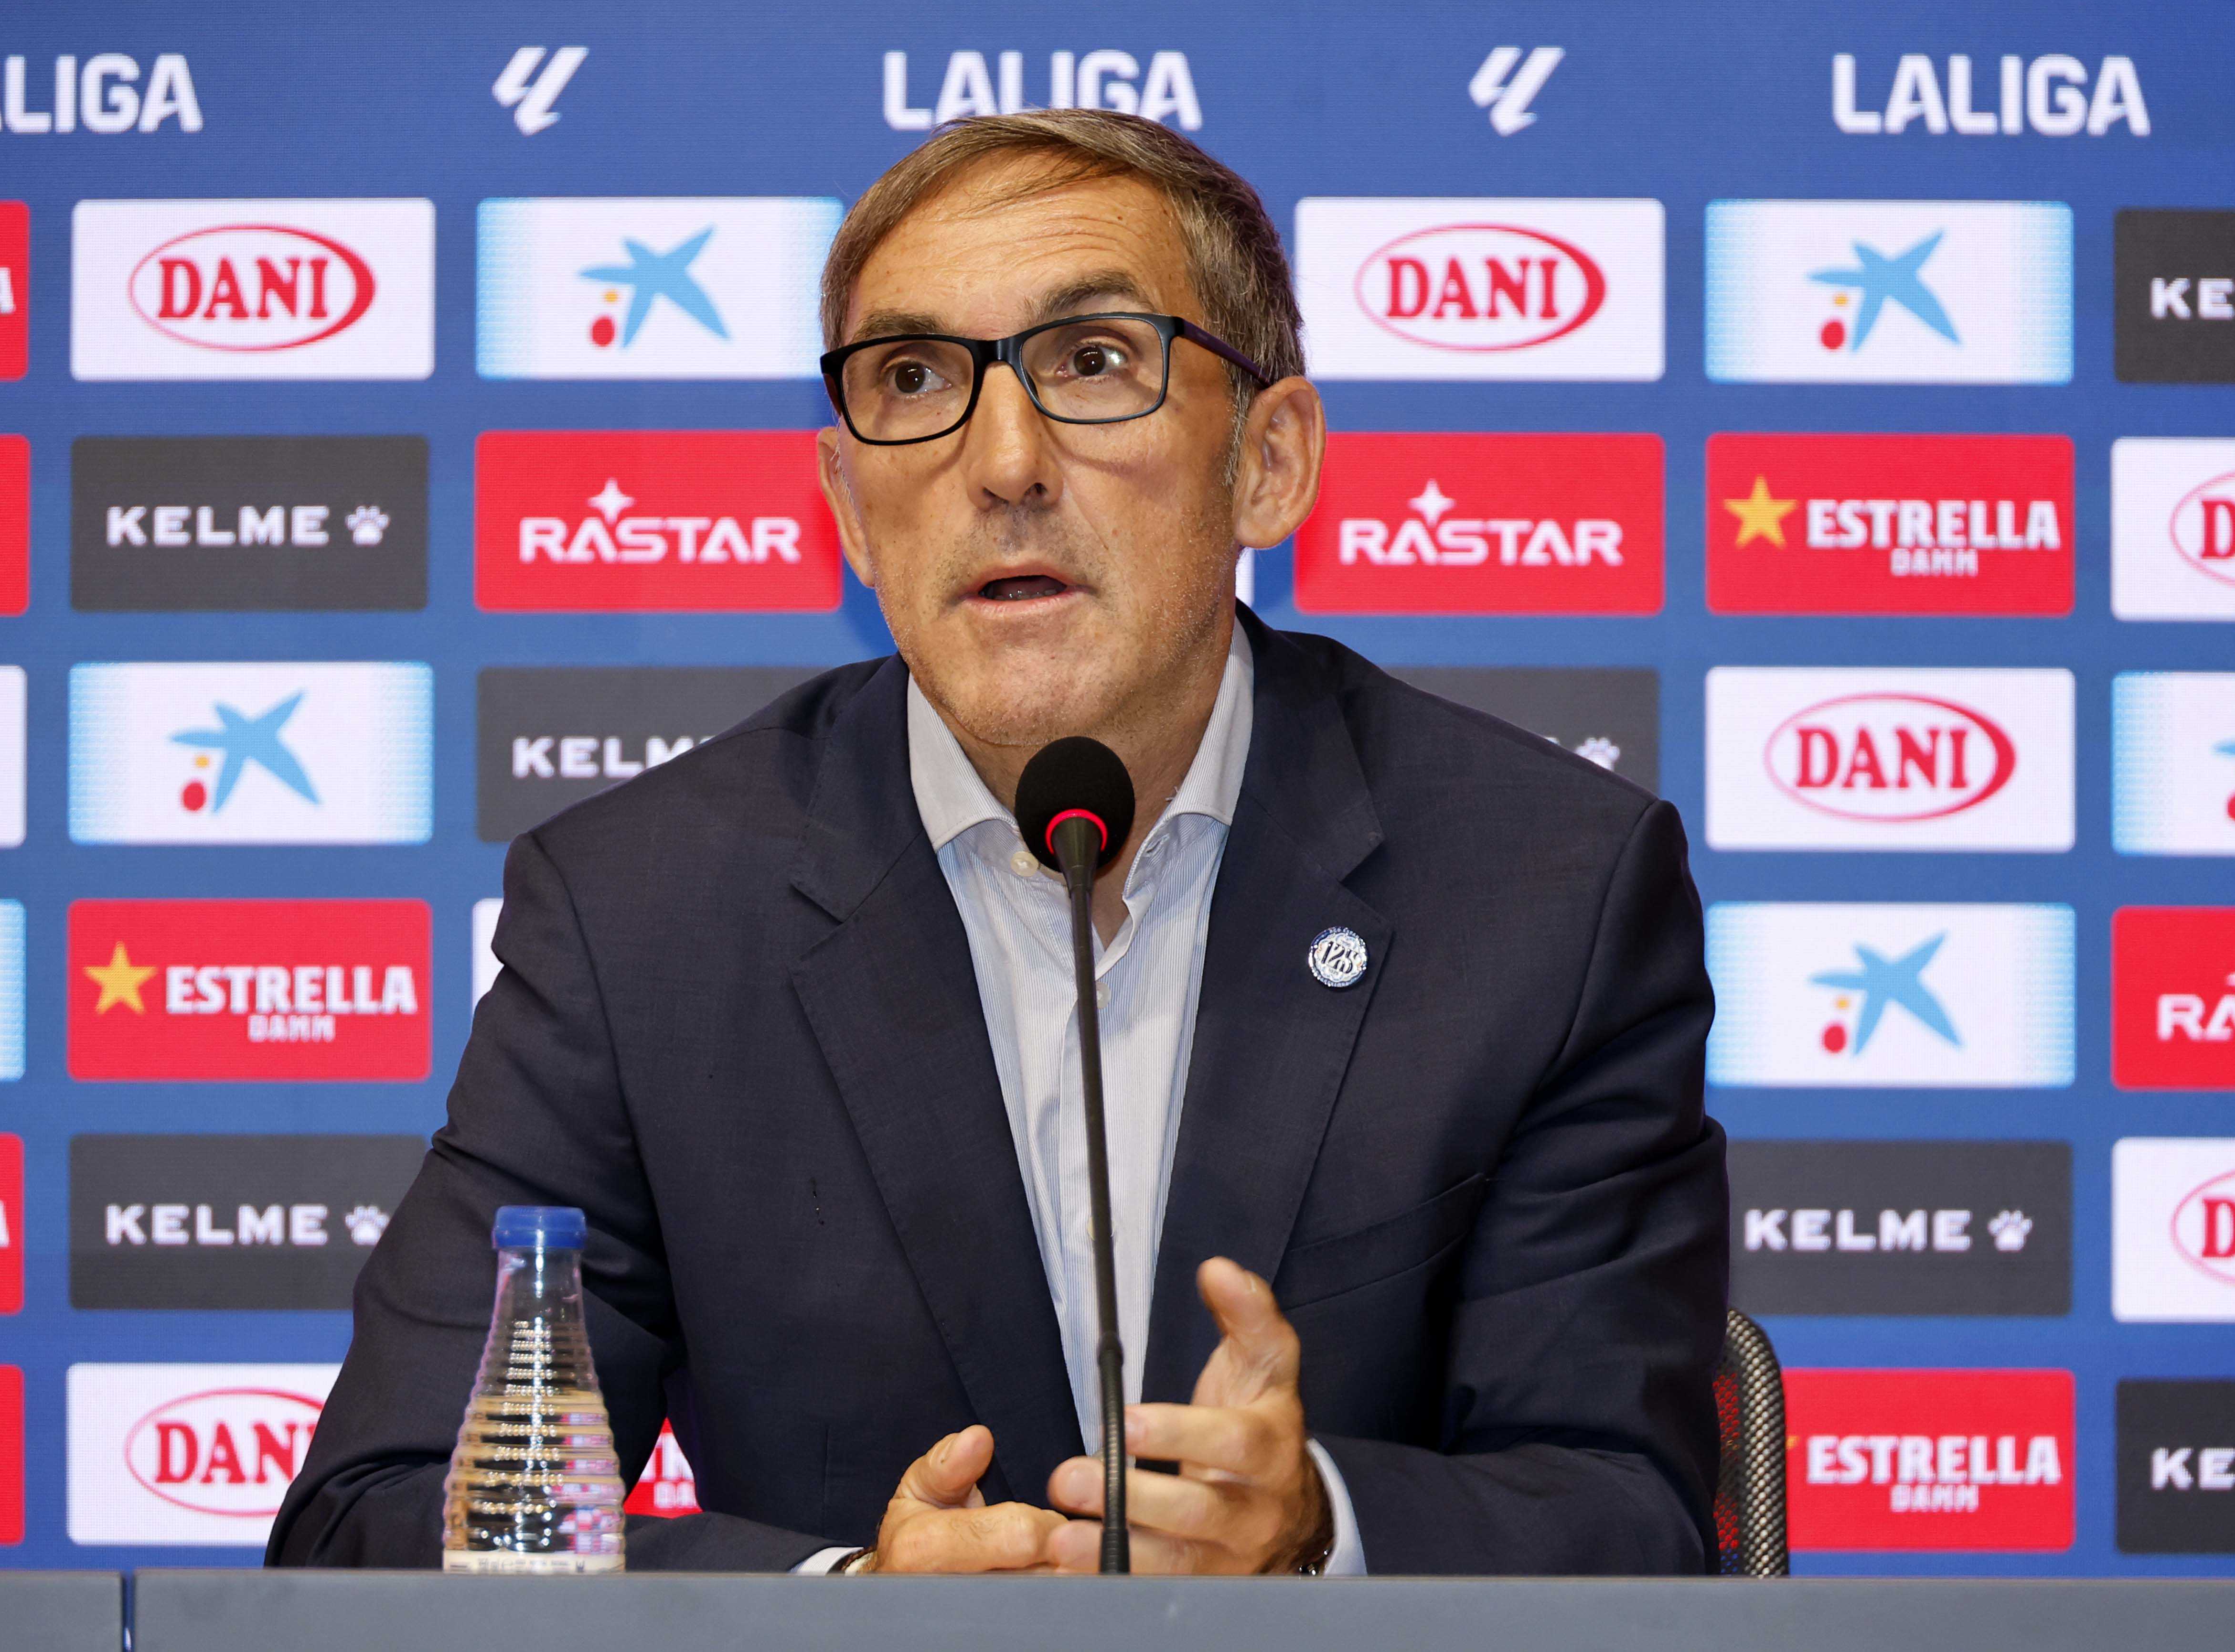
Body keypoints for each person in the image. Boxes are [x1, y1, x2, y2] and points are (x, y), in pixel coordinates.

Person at [270, 112, 1727, 1577]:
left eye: (1092, 362)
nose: (1004, 462)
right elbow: (377, 1518)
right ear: (848, 506)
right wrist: (843, 1611)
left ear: (1268, 461)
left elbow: (1629, 1516)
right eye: (914, 379)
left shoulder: (1543, 892)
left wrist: (1311, 1533)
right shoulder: (642, 913)